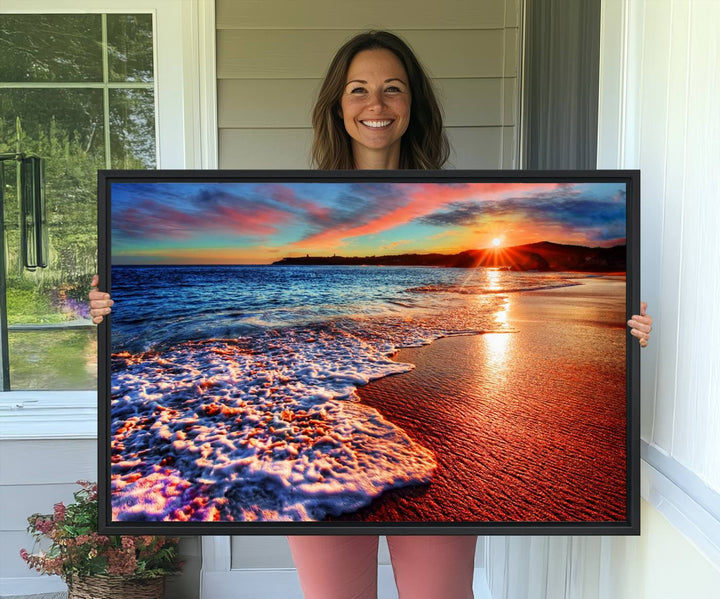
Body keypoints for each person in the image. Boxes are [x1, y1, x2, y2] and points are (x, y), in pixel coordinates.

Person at [89, 30, 653, 599]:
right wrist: (108, 310)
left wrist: (631, 327)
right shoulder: (296, 192)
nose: (376, 105)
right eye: (358, 90)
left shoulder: (465, 193)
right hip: (308, 442)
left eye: (393, 89)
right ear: (338, 105)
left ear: (413, 105)